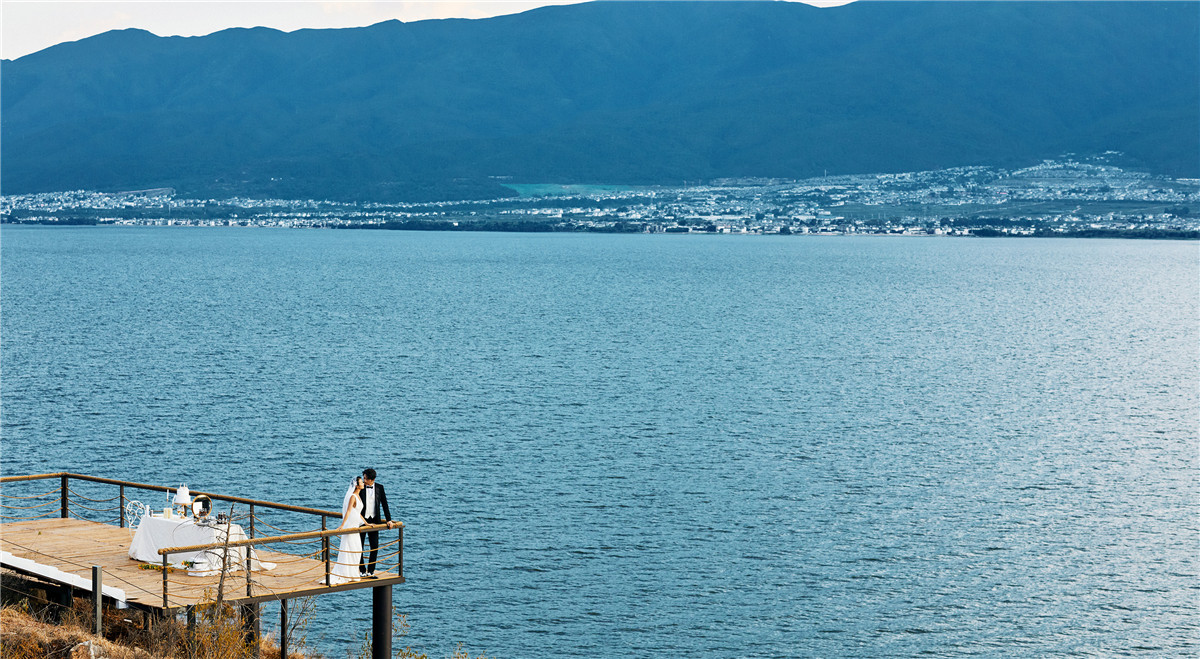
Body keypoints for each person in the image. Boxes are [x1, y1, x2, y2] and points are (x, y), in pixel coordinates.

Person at [328, 476, 365, 585]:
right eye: (361, 482)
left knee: (357, 549)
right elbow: (348, 511)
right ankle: (346, 573)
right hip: (350, 526)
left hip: (356, 527)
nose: (363, 483)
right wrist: (342, 525)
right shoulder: (353, 497)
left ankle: (353, 572)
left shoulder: (358, 496)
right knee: (349, 548)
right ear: (357, 485)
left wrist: (366, 523)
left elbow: (358, 513)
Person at [358, 467, 394, 577]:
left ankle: (371, 571)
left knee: (374, 546)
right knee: (360, 546)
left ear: (371, 479)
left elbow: (384, 504)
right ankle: (362, 570)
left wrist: (389, 520)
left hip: (375, 520)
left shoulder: (380, 488)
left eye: (365, 478)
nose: (363, 481)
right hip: (362, 521)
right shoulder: (360, 488)